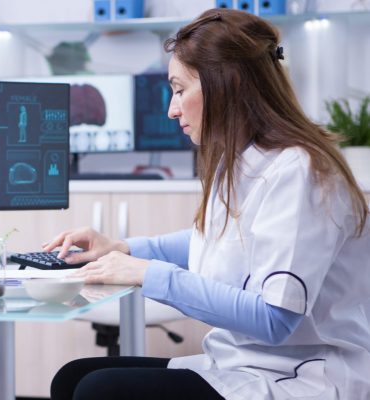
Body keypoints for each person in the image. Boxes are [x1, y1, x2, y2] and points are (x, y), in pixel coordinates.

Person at [45, 8, 370, 400]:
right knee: (72, 377)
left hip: (301, 376)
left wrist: (148, 273)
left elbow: (275, 320)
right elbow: (217, 240)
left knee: (99, 390)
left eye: (179, 89)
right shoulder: (240, 160)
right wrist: (124, 249)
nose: (171, 108)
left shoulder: (301, 171)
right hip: (242, 364)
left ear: (226, 85)